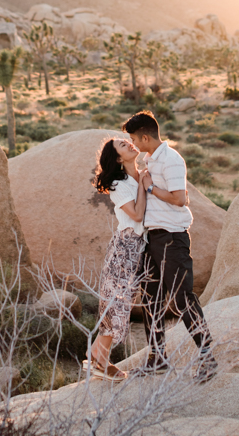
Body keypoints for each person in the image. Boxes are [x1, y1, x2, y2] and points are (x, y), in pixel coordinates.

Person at [123, 111, 218, 383]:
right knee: (151, 299)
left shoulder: (172, 160)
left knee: (181, 297)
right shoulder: (151, 160)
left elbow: (179, 200)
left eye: (134, 139)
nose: (134, 144)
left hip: (173, 237)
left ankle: (207, 356)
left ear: (145, 136)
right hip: (153, 239)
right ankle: (158, 358)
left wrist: (151, 188)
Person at [87, 135, 148, 383]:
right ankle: (99, 362)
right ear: (118, 158)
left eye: (127, 141)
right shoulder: (118, 183)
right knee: (116, 305)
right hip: (125, 248)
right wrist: (143, 186)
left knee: (123, 304)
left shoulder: (143, 173)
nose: (130, 144)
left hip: (140, 247)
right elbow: (134, 215)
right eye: (123, 145)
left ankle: (96, 357)